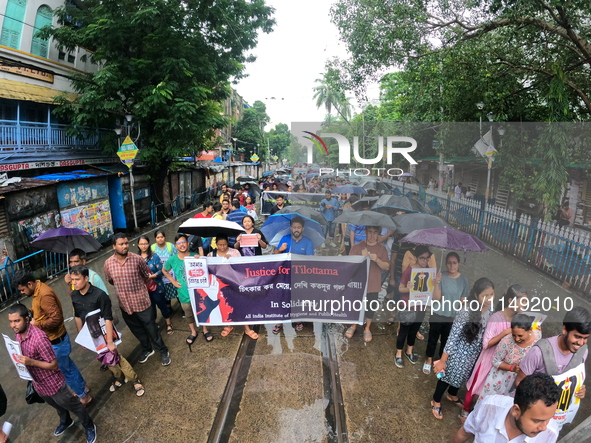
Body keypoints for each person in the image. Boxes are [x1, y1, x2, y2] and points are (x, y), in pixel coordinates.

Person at [8, 303, 97, 443]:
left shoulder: (39, 339)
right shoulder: (19, 335)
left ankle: (89, 425)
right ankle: (66, 421)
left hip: (54, 384)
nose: (13, 325)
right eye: (11, 322)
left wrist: (31, 362)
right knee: (57, 406)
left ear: (26, 319)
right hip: (39, 384)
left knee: (74, 406)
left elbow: (54, 365)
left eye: (17, 321)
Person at [15, 271, 91, 406]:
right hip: (55, 340)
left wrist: (36, 323)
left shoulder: (44, 294)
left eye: (22, 289)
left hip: (57, 340)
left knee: (65, 371)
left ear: (29, 284)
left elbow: (56, 319)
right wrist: (33, 312)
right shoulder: (37, 291)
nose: (22, 292)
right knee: (69, 367)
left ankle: (84, 397)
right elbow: (44, 312)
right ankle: (82, 389)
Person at [69, 265, 145, 397]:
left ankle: (134, 379)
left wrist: (110, 341)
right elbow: (77, 317)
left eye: (77, 279)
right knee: (105, 358)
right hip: (91, 334)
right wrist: (81, 336)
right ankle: (118, 378)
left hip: (105, 332)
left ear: (86, 278)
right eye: (72, 279)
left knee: (116, 356)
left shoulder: (100, 295)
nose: (74, 282)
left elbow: (108, 319)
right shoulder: (75, 295)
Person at [461, 284, 530, 420]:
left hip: (504, 362)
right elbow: (486, 344)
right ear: (510, 301)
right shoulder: (496, 318)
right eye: (522, 301)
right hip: (488, 359)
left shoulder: (519, 319)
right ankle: (465, 409)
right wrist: (505, 333)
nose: (525, 304)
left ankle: (482, 412)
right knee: (477, 383)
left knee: (493, 390)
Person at [431, 277, 495, 420]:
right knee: (446, 377)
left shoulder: (490, 310)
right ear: (476, 295)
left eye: (492, 294)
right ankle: (436, 400)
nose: (489, 298)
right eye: (485, 295)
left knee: (463, 377)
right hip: (458, 353)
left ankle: (452, 395)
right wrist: (443, 360)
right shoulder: (466, 311)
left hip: (475, 355)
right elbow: (453, 336)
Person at [516, 306, 590, 428]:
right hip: (533, 418)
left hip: (556, 420)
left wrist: (579, 390)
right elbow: (519, 382)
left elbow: (575, 377)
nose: (581, 343)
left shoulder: (583, 352)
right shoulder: (539, 352)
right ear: (565, 329)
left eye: (585, 338)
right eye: (577, 337)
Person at [104, 233, 171, 366]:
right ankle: (147, 349)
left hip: (142, 302)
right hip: (125, 305)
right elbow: (111, 280)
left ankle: (163, 350)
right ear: (114, 246)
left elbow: (145, 276)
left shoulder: (137, 259)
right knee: (137, 330)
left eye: (126, 243)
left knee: (152, 328)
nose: (125, 246)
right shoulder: (108, 264)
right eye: (121, 244)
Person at [450, 373, 560, 443]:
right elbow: (464, 433)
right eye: (537, 421)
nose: (544, 427)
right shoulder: (489, 407)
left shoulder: (550, 434)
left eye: (549, 418)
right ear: (516, 411)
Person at [423, 252, 468, 374]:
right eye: (449, 263)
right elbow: (436, 298)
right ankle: (429, 359)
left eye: (454, 263)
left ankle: (441, 361)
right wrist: (436, 283)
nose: (452, 266)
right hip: (437, 314)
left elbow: (463, 300)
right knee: (432, 338)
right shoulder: (440, 276)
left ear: (458, 264)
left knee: (446, 341)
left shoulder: (464, 280)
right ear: (446, 263)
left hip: (452, 317)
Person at [479, 313, 541, 401]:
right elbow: (495, 361)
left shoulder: (537, 337)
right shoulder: (507, 341)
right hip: (500, 380)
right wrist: (512, 368)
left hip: (520, 380)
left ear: (530, 330)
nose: (516, 339)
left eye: (520, 336)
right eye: (514, 335)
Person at [344, 226, 389, 342]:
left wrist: (376, 259)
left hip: (373, 283)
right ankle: (353, 325)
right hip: (358, 283)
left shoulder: (382, 249)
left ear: (379, 233)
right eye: (370, 232)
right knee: (355, 305)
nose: (372, 236)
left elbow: (387, 266)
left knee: (370, 307)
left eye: (375, 232)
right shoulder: (357, 247)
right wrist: (361, 258)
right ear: (365, 232)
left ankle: (367, 327)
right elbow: (349, 265)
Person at [395, 246, 437, 366]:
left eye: (427, 258)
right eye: (422, 258)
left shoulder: (430, 272)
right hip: (408, 305)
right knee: (404, 330)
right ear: (416, 258)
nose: (425, 260)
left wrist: (435, 283)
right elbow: (400, 288)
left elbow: (431, 291)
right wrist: (407, 288)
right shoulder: (410, 270)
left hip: (421, 306)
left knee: (414, 330)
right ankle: (398, 353)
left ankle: (409, 351)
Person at [273, 216, 314, 333]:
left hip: (300, 276)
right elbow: (275, 254)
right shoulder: (285, 239)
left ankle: (297, 319)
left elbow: (311, 259)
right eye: (294, 227)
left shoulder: (308, 241)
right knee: (283, 297)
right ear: (291, 228)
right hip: (285, 275)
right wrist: (280, 249)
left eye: (299, 227)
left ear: (302, 229)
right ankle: (280, 320)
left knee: (298, 298)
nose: (296, 229)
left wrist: (296, 257)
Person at [162, 233, 200, 349]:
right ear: (175, 246)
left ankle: (205, 329)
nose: (182, 245)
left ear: (188, 243)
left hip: (197, 292)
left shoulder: (195, 255)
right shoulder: (172, 260)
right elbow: (164, 270)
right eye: (179, 243)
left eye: (184, 242)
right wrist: (173, 281)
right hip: (183, 293)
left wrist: (200, 258)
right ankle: (193, 331)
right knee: (188, 313)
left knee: (201, 311)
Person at [138, 235, 173, 335]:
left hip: (156, 286)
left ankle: (168, 323)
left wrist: (150, 276)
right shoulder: (136, 258)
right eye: (141, 244)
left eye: (145, 243)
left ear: (149, 244)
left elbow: (160, 271)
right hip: (144, 289)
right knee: (150, 309)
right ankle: (154, 324)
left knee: (162, 305)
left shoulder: (154, 256)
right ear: (138, 245)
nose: (143, 246)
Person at [151, 230, 178, 306]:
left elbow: (175, 258)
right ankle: (169, 309)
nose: (160, 239)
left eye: (162, 237)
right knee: (165, 294)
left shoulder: (171, 246)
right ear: (155, 239)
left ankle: (182, 309)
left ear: (164, 237)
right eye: (158, 237)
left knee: (177, 291)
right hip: (161, 276)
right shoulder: (152, 248)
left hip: (172, 274)